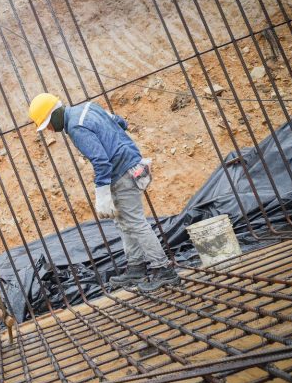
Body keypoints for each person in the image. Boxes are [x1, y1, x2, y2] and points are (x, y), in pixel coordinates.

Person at [28, 93, 180, 292]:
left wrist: (102, 193)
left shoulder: (75, 127)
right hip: (129, 165)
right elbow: (120, 122)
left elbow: (100, 161)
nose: (49, 130)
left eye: (47, 124)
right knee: (124, 222)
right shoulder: (88, 107)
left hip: (122, 171)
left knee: (135, 222)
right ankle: (136, 267)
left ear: (54, 115)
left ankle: (163, 270)